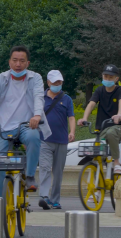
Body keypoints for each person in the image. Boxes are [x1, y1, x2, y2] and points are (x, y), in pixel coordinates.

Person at [0, 45, 49, 198]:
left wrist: (37, 115)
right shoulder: (0, 79)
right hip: (2, 127)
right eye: (15, 60)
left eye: (22, 61)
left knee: (33, 137)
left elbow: (39, 97)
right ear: (9, 62)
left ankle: (30, 175)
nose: (18, 64)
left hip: (25, 126)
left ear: (27, 63)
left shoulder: (35, 78)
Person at [77, 64, 121, 175]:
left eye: (110, 77)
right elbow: (91, 104)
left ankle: (117, 163)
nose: (107, 79)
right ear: (102, 76)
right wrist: (84, 118)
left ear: (116, 79)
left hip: (117, 126)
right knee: (97, 154)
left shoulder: (120, 90)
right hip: (102, 128)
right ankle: (98, 188)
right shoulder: (99, 90)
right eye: (105, 76)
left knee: (111, 133)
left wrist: (119, 114)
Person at [38, 70, 75, 210]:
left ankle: (55, 200)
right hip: (44, 139)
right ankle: (44, 196)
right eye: (54, 82)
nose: (57, 84)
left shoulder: (67, 99)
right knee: (45, 168)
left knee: (58, 172)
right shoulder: (40, 98)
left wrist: (72, 132)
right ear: (48, 83)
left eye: (59, 82)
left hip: (61, 140)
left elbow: (71, 117)